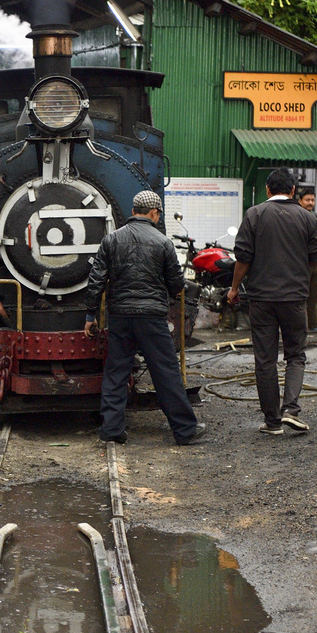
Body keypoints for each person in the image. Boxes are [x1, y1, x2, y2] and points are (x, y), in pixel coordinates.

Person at [84, 189, 205, 446]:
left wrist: (90, 315)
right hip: (152, 317)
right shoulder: (163, 243)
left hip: (120, 316)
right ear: (154, 213)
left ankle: (112, 430)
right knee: (166, 372)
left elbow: (96, 281)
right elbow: (176, 285)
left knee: (116, 372)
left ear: (132, 212)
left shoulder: (112, 240)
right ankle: (184, 430)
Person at [227, 168, 317, 435]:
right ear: (293, 190)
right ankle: (291, 410)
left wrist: (234, 289)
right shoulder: (308, 218)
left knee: (265, 359)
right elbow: (316, 258)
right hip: (295, 299)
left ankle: (272, 422)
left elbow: (243, 258)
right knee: (296, 355)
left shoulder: (254, 214)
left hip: (261, 299)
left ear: (268, 190)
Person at [297, 185, 317, 334]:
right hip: (302, 264)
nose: (310, 203)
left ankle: (313, 324)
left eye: (312, 200)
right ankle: (298, 327)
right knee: (299, 296)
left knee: (314, 296)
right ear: (300, 201)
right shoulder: (297, 216)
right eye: (307, 200)